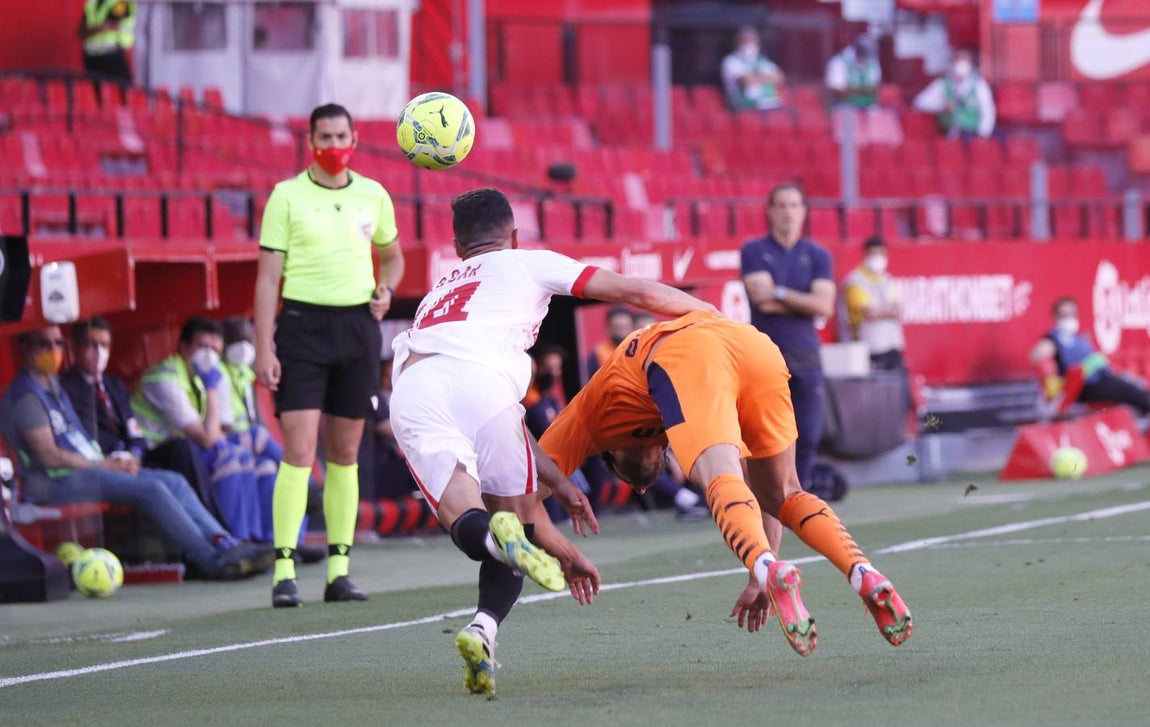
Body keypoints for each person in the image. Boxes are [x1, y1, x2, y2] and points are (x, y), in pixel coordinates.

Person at [389, 187, 716, 694]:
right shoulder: (528, 262)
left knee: (468, 516)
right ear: (515, 236)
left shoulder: (437, 294)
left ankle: (484, 629)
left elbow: (476, 391)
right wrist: (715, 321)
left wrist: (561, 487)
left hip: (418, 385)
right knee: (515, 518)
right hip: (490, 391)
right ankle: (485, 620)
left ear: (456, 248)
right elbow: (639, 292)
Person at [538, 311, 913, 655]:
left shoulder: (587, 417)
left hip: (689, 354)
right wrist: (760, 574)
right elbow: (518, 498)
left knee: (719, 475)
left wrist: (565, 554)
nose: (639, 484)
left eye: (630, 474)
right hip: (753, 348)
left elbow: (516, 497)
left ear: (612, 454)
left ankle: (769, 564)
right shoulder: (637, 410)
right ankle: (861, 571)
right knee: (782, 493)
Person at [254, 102, 406, 608]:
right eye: (326, 136)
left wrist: (386, 287)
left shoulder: (374, 194)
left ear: (355, 139)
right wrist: (262, 346)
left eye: (342, 136)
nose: (335, 146)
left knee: (344, 456)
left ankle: (339, 571)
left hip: (358, 329)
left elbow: (393, 255)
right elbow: (267, 279)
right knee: (298, 454)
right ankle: (284, 571)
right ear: (311, 140)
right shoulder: (287, 196)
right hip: (301, 328)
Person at [1, 326, 267, 580]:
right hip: (52, 482)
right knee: (152, 489)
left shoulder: (53, 387)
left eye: (58, 342)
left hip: (84, 471)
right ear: (25, 348)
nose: (53, 349)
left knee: (173, 480)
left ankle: (225, 542)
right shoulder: (27, 396)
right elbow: (50, 457)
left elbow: (79, 441)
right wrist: (104, 466)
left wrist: (115, 461)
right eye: (44, 343)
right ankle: (212, 560)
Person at [131, 317, 265, 544]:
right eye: (202, 347)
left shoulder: (205, 375)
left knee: (246, 456)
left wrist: (212, 386)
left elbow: (220, 431)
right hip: (155, 455)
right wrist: (212, 389)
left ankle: (257, 539)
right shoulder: (165, 378)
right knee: (228, 458)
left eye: (215, 350)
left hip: (187, 451)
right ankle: (231, 539)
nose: (209, 355)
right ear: (184, 348)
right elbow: (207, 439)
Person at [740, 183, 834, 491]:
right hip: (767, 356)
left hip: (806, 355)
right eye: (781, 205)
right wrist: (802, 300)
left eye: (794, 205)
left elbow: (824, 305)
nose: (787, 213)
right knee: (766, 435)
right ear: (769, 210)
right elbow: (761, 300)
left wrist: (780, 292)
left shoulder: (818, 254)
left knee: (808, 433)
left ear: (804, 211)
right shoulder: (754, 250)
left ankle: (798, 493)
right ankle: (766, 496)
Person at [221, 317, 325, 563]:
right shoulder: (218, 372)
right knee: (271, 450)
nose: (244, 346)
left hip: (247, 446)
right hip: (225, 443)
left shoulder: (245, 374)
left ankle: (284, 543)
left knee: (271, 470)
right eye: (237, 340)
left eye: (247, 339)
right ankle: (309, 481)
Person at [1030, 297, 1150, 416]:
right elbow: (1036, 355)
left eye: (1072, 314)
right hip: (1085, 387)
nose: (1069, 319)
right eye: (1064, 315)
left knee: (1135, 386)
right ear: (1055, 317)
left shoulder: (1079, 339)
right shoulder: (1055, 338)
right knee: (1133, 393)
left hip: (1103, 379)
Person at [841, 237, 905, 371]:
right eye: (873, 253)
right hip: (868, 349)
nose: (877, 258)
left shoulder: (887, 279)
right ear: (865, 255)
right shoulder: (855, 281)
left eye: (880, 253)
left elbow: (898, 310)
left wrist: (881, 312)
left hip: (892, 346)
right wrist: (888, 312)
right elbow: (868, 313)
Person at [913, 49, 996, 139]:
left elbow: (988, 110)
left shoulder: (979, 85)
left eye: (964, 63)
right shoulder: (942, 83)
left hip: (973, 133)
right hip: (950, 134)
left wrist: (983, 134)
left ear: (970, 65)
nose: (960, 67)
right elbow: (920, 103)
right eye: (957, 63)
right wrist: (943, 106)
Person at [720, 26, 786, 112]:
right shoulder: (731, 61)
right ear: (738, 42)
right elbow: (746, 81)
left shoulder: (764, 60)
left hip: (771, 105)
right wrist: (767, 77)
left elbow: (779, 79)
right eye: (746, 40)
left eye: (752, 40)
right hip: (746, 107)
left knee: (793, 116)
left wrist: (755, 76)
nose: (749, 44)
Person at [79, 0, 136, 83]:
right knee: (95, 92)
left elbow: (112, 24)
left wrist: (90, 30)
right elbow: (81, 32)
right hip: (92, 57)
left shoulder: (119, 3)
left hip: (113, 55)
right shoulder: (92, 3)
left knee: (120, 90)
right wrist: (101, 27)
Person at [825, 34, 881, 109]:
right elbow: (837, 92)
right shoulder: (838, 62)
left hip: (868, 106)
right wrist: (862, 90)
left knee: (880, 115)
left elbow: (875, 88)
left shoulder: (872, 61)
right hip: (844, 106)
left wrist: (854, 90)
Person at [586, 305, 634, 382]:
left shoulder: (640, 350)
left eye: (625, 328)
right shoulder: (598, 354)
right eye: (617, 327)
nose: (621, 332)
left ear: (632, 328)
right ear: (608, 328)